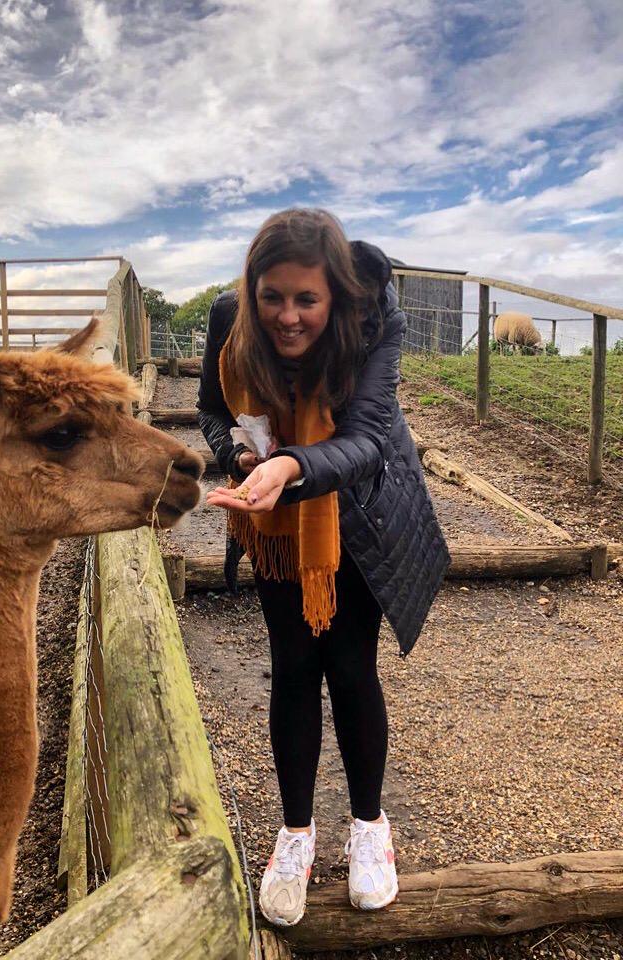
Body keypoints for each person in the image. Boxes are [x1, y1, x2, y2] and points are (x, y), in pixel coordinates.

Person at [197, 208, 449, 927]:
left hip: (357, 515)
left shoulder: (374, 323)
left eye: (306, 299)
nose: (287, 316)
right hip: (274, 520)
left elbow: (369, 435)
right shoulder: (228, 319)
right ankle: (296, 834)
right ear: (252, 288)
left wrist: (292, 464)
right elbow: (213, 409)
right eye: (272, 296)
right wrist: (239, 457)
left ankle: (370, 826)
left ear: (334, 292)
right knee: (294, 668)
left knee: (349, 666)